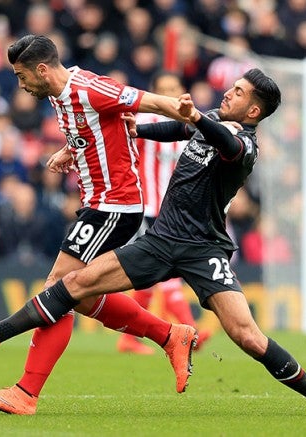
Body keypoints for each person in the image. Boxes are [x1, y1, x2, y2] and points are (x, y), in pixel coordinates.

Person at [0, 68, 306, 416]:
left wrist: (198, 119)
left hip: (205, 249)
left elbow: (223, 141)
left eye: (238, 92)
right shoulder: (212, 118)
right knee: (71, 287)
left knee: (247, 336)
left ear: (254, 110)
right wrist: (139, 129)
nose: (228, 92)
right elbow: (179, 128)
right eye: (231, 86)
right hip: (161, 240)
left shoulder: (245, 144)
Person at [0, 34, 206, 415]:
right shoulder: (57, 91)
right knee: (82, 296)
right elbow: (98, 127)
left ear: (41, 69)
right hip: (99, 204)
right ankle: (170, 335)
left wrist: (191, 112)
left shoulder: (89, 87)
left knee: (58, 289)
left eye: (22, 76)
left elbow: (147, 100)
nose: (19, 85)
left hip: (115, 207)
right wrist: (71, 150)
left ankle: (11, 366)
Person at [116, 71, 211, 355]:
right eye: (164, 89)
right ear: (155, 92)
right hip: (148, 208)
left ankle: (129, 338)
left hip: (175, 211)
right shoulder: (145, 121)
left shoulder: (190, 125)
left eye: (174, 87)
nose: (170, 93)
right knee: (167, 274)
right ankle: (189, 331)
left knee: (151, 276)